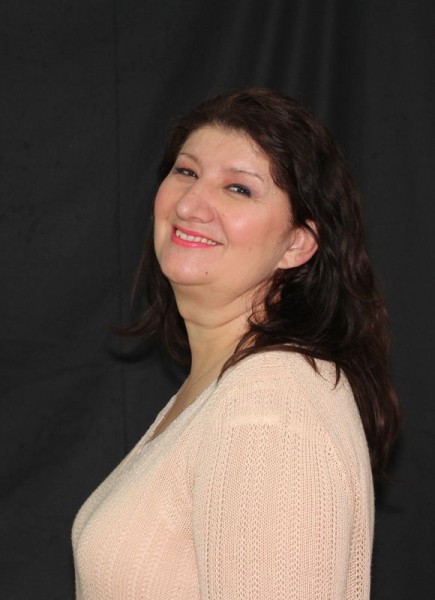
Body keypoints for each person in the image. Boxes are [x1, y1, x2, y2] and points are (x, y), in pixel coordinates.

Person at [72, 88, 400, 599]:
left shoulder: (271, 408)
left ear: (297, 243)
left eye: (238, 189)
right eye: (186, 171)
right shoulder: (227, 389)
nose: (190, 204)